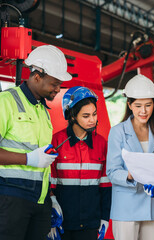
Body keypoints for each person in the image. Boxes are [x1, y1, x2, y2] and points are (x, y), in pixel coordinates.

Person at [0, 45, 72, 240]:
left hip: (38, 202)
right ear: (37, 76)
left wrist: (50, 198)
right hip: (8, 200)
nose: (58, 89)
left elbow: (41, 163)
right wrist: (27, 158)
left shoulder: (42, 111)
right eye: (55, 83)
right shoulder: (3, 102)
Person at [106, 74, 154, 240]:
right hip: (126, 207)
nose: (144, 111)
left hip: (152, 206)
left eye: (148, 105)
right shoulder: (118, 132)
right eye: (139, 105)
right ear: (129, 104)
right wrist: (130, 174)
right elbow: (112, 171)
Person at [49, 86, 112, 240]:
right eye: (86, 116)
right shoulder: (56, 141)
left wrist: (105, 217)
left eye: (94, 114)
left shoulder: (102, 143)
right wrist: (49, 217)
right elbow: (49, 183)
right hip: (62, 223)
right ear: (72, 116)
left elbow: (105, 186)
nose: (92, 120)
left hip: (90, 224)